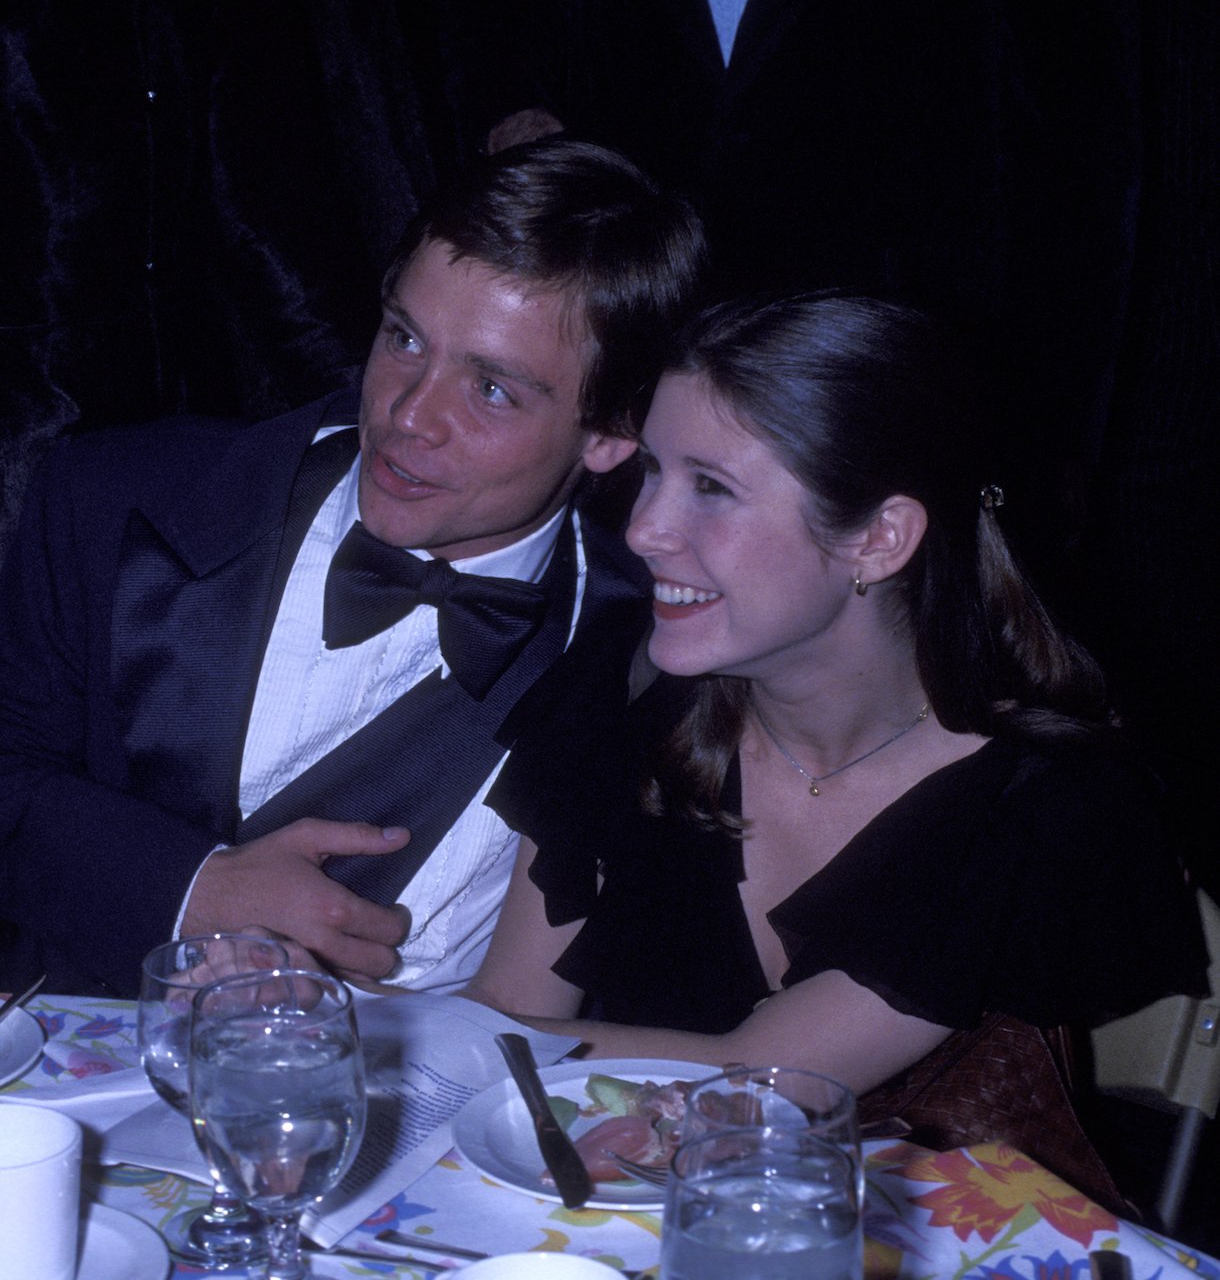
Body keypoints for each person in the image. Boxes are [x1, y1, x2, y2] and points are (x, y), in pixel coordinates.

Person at [465, 292, 1207, 1201]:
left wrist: (375, 1026)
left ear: (878, 537)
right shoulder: (622, 703)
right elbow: (509, 1011)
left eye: (711, 487)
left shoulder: (1039, 805)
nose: (644, 528)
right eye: (653, 472)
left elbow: (763, 1080)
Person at [0, 138, 706, 999]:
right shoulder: (113, 498)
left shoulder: (659, 653)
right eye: (404, 338)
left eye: (492, 390)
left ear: (610, 436)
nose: (410, 414)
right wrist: (189, 890)